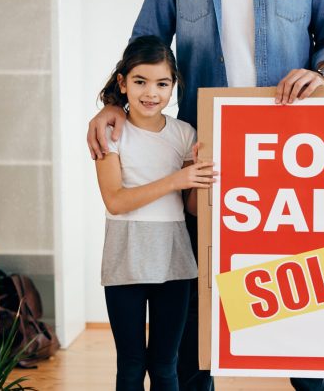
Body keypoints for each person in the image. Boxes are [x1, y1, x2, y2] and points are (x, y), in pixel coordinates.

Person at [86, 0, 324, 389]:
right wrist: (111, 104)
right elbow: (147, 41)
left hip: (291, 151)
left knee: (301, 289)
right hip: (206, 147)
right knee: (200, 299)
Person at [94, 36, 216, 391]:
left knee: (166, 364)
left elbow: (190, 207)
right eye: (140, 82)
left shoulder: (184, 134)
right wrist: (176, 178)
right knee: (131, 366)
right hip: (125, 259)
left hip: (174, 259)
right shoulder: (111, 133)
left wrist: (202, 178)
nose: (151, 93)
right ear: (123, 83)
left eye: (162, 84)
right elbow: (115, 201)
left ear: (173, 86)